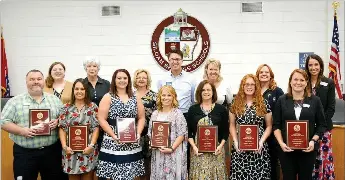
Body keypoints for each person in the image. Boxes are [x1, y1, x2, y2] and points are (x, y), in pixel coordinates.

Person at [1, 69, 64, 180]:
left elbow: (64, 118)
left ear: (43, 81)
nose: (36, 82)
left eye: (39, 79)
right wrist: (22, 131)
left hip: (51, 152)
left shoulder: (55, 100)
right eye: (32, 79)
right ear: (26, 82)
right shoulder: (15, 101)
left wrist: (58, 121)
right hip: (25, 153)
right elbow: (3, 121)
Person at [273, 69, 327, 180]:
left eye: (302, 80)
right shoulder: (282, 100)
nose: (298, 82)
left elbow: (322, 125)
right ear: (290, 82)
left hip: (308, 150)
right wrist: (281, 143)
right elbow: (276, 125)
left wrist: (313, 141)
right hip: (286, 151)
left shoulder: (315, 100)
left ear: (306, 82)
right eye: (295, 79)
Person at [96, 69, 145, 180]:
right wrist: (114, 136)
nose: (122, 80)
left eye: (125, 78)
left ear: (128, 80)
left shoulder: (135, 97)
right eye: (119, 78)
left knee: (131, 174)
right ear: (114, 80)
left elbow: (141, 118)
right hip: (112, 140)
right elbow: (101, 119)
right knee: (112, 175)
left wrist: (137, 134)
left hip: (132, 141)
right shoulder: (108, 96)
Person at [156, 49, 196, 171]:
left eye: (177, 59)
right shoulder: (162, 79)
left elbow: (194, 100)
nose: (175, 62)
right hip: (167, 116)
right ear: (168, 61)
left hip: (185, 116)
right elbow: (160, 98)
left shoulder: (191, 79)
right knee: (167, 146)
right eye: (172, 59)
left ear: (182, 61)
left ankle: (181, 173)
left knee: (183, 148)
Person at [229, 74, 272, 180]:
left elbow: (269, 126)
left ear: (256, 86)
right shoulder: (235, 103)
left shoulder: (263, 103)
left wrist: (261, 142)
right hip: (240, 148)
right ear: (242, 86)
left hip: (259, 148)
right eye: (247, 84)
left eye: (252, 84)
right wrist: (235, 141)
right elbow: (232, 124)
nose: (249, 86)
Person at [57, 78, 100, 180]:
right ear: (73, 91)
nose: (79, 92)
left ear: (86, 91)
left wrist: (91, 145)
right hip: (70, 151)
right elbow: (62, 128)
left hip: (88, 150)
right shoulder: (65, 108)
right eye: (77, 89)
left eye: (82, 89)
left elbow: (96, 128)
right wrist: (64, 147)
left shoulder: (92, 107)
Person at [187, 80, 229, 179]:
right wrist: (194, 147)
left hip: (217, 151)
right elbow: (189, 132)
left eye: (209, 90)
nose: (206, 92)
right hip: (198, 152)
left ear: (213, 92)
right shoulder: (193, 109)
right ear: (199, 92)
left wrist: (220, 146)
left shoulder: (221, 109)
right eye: (203, 90)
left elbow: (225, 132)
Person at [304, 54, 336, 179]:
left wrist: (320, 125)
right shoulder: (303, 82)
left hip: (324, 129)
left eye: (316, 64)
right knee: (310, 160)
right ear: (307, 67)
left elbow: (331, 108)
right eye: (310, 65)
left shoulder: (328, 83)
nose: (313, 67)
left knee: (323, 159)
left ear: (321, 66)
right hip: (308, 129)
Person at [148, 85, 188, 179]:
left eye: (169, 95)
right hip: (159, 152)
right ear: (159, 97)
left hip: (174, 152)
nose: (166, 98)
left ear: (173, 97)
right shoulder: (155, 114)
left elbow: (182, 134)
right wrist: (153, 143)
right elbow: (151, 133)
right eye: (163, 95)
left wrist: (171, 148)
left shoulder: (177, 113)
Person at [201, 58, 233, 174]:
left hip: (220, 125)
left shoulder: (226, 85)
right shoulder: (201, 84)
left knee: (221, 155)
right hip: (203, 125)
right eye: (211, 69)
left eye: (216, 69)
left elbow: (230, 103)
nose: (213, 72)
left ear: (219, 70)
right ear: (206, 70)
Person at [256, 64, 284, 180]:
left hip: (272, 133)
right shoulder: (254, 91)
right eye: (261, 72)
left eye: (266, 72)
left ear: (271, 75)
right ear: (257, 75)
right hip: (255, 133)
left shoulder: (277, 91)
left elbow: (282, 111)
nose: (264, 74)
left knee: (272, 162)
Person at [82, 56, 110, 158]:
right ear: (85, 68)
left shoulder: (106, 84)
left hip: (104, 122)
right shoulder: (81, 83)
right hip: (86, 122)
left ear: (98, 68)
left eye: (94, 66)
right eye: (89, 66)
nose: (92, 68)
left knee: (102, 151)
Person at [133, 69, 157, 180]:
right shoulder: (130, 95)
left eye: (144, 77)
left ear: (148, 80)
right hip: (133, 134)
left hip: (149, 134)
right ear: (135, 80)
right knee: (135, 163)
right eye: (139, 77)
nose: (141, 80)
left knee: (148, 164)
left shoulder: (154, 96)